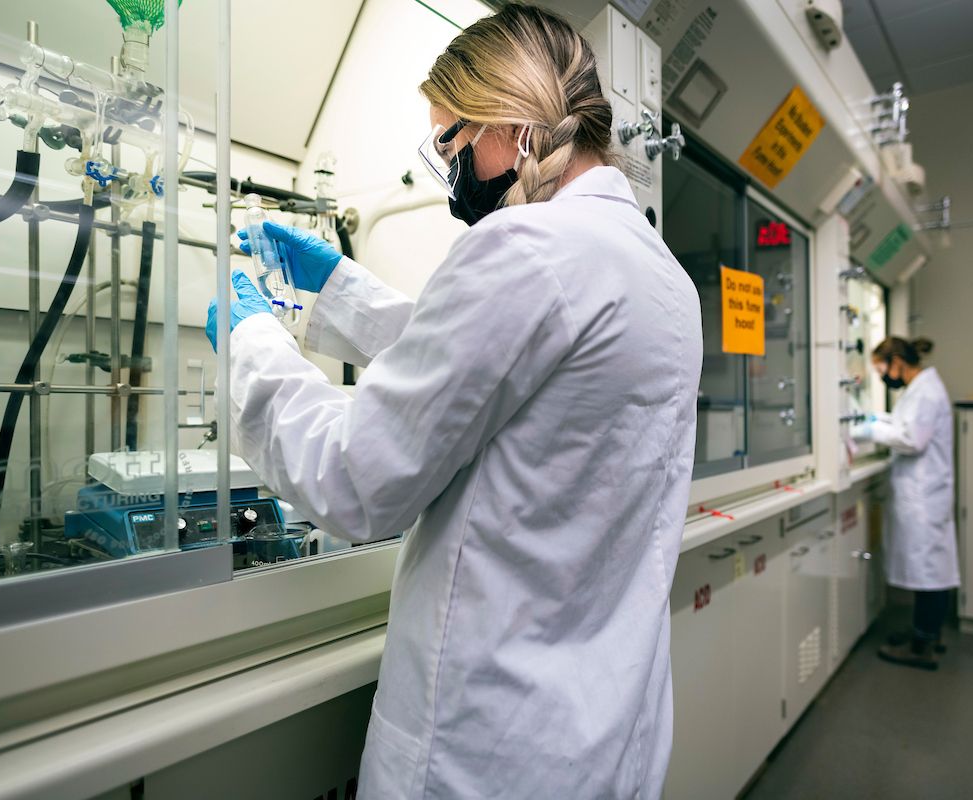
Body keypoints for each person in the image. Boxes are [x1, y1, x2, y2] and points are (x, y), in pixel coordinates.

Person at [206, 5, 703, 798]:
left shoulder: (525, 248)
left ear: (509, 127)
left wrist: (250, 342)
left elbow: (352, 479)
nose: (447, 166)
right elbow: (501, 373)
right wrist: (335, 288)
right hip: (601, 732)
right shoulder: (656, 270)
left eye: (449, 139)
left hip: (490, 746)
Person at [853, 336, 958, 671]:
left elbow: (911, 438)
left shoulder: (926, 392)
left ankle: (922, 645)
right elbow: (904, 425)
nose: (884, 376)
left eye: (882, 369)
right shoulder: (921, 389)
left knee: (928, 573)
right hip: (925, 495)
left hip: (924, 498)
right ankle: (925, 633)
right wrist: (876, 419)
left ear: (897, 361)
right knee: (929, 569)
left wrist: (870, 431)